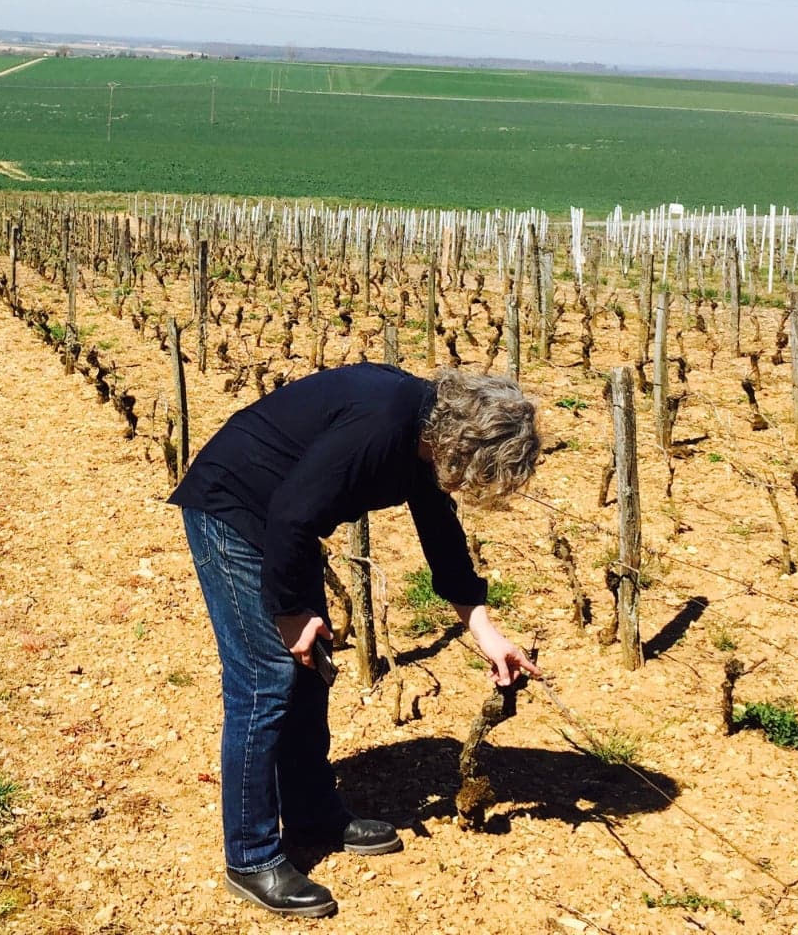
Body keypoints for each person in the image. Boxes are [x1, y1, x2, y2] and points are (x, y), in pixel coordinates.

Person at [170, 362, 541, 918]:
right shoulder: (382, 423)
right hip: (234, 508)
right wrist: (291, 612)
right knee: (265, 679)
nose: (466, 486)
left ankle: (312, 811)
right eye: (472, 474)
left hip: (279, 518)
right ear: (462, 444)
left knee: (309, 670)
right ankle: (249, 858)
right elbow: (293, 513)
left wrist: (484, 630)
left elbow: (440, 536)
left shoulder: (423, 436)